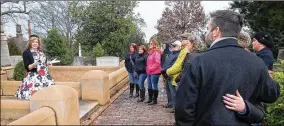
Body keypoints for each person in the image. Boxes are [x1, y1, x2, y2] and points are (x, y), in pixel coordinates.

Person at [175, 10, 280, 125]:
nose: (206, 33)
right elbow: (272, 94)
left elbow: (184, 110)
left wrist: (246, 108)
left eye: (207, 28)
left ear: (216, 31)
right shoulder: (257, 62)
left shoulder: (197, 62)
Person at [15, 35, 55, 100]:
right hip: (33, 76)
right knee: (34, 95)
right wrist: (35, 63)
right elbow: (28, 67)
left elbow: (43, 64)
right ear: (30, 43)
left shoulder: (41, 52)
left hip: (44, 76)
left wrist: (49, 63)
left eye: (37, 42)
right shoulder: (26, 52)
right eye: (33, 42)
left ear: (39, 44)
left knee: (48, 96)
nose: (35, 43)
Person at [161, 40, 181, 113]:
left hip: (173, 75)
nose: (173, 47)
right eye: (172, 45)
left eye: (175, 46)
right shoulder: (171, 54)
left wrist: (165, 70)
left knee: (173, 92)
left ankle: (175, 107)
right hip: (167, 74)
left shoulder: (178, 55)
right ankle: (170, 103)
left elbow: (173, 65)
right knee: (168, 89)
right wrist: (163, 69)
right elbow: (166, 63)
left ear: (179, 47)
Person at [146, 40, 162, 105]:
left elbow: (157, 63)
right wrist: (148, 69)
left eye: (151, 44)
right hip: (149, 72)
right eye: (150, 43)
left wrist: (150, 68)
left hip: (155, 72)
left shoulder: (157, 53)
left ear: (155, 45)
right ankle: (150, 98)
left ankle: (154, 100)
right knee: (149, 85)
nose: (150, 45)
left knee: (154, 85)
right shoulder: (150, 53)